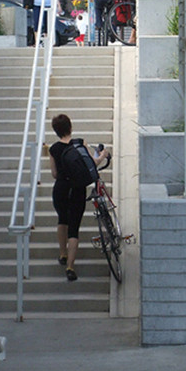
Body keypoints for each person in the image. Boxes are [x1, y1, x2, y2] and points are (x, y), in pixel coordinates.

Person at [47, 114, 109, 281]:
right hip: (77, 189)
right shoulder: (80, 143)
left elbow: (54, 174)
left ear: (56, 131)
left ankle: (62, 254)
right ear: (70, 127)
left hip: (60, 188)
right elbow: (92, 163)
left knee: (62, 219)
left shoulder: (53, 149)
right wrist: (103, 155)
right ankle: (70, 267)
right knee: (74, 228)